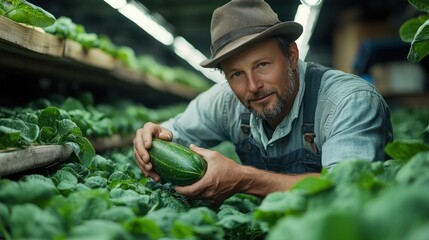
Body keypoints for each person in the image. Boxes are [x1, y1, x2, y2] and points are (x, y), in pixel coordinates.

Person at [133, 0, 393, 206]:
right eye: (236, 74)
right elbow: (170, 134)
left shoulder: (349, 101)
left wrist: (244, 179)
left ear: (291, 56)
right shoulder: (224, 102)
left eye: (262, 65)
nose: (253, 86)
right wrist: (151, 139)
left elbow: (349, 192)